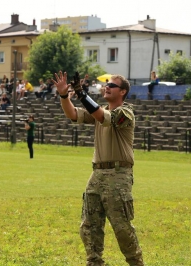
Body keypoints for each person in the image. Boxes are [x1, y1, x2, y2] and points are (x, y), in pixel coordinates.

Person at [52, 71, 144, 266]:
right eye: (107, 84)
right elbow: (73, 113)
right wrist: (63, 95)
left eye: (113, 85)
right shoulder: (98, 111)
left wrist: (83, 94)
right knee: (89, 225)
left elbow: (104, 117)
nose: (107, 87)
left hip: (118, 175)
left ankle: (136, 263)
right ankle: (94, 262)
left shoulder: (125, 113)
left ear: (123, 92)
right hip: (97, 174)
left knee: (121, 226)